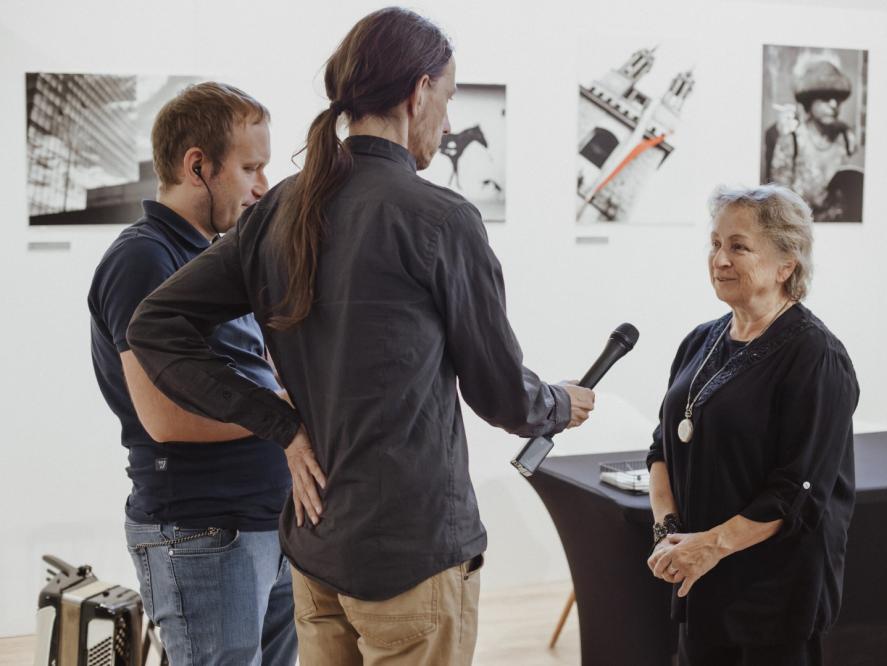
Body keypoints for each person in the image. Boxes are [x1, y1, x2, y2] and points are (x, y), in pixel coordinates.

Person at [125, 7, 595, 665]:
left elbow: (154, 325)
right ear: (419, 92)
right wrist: (559, 404)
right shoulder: (440, 219)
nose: (448, 124)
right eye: (448, 98)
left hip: (317, 550)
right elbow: (502, 396)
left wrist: (281, 424)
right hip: (411, 557)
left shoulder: (279, 209)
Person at [88, 82, 297, 665]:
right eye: (250, 168)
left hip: (265, 520)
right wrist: (289, 413)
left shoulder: (216, 255)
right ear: (197, 165)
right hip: (205, 531)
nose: (262, 186)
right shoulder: (143, 258)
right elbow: (164, 416)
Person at [645, 184, 859, 666]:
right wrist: (669, 533)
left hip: (772, 595)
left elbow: (796, 492)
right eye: (715, 243)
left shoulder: (816, 356)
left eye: (739, 247)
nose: (720, 259)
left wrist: (710, 545)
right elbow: (662, 448)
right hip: (700, 577)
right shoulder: (699, 341)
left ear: (786, 265)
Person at [765, 59, 862, 221]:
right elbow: (778, 199)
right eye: (825, 98)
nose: (834, 104)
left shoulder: (847, 137)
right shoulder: (792, 139)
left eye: (838, 98)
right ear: (810, 101)